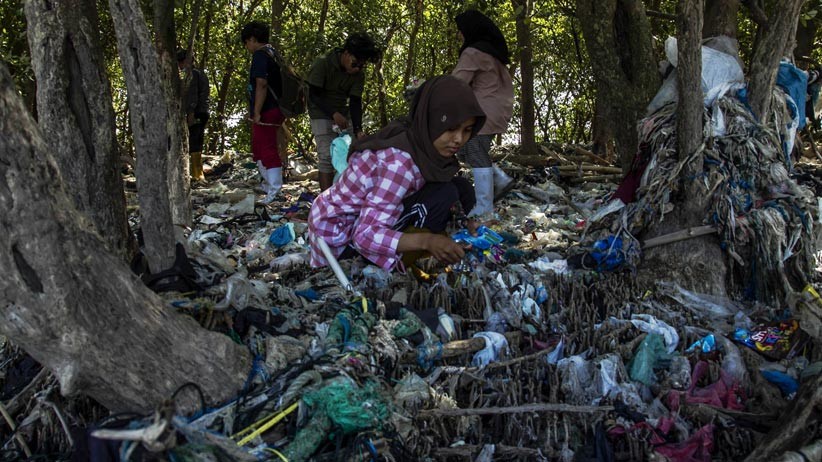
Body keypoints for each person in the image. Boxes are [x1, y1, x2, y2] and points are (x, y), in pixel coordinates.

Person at [308, 75, 486, 272]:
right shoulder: (398, 165)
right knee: (445, 195)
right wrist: (427, 241)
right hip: (340, 244)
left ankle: (444, 240)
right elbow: (364, 236)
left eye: (467, 130)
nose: (459, 139)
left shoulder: (418, 141)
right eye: (450, 128)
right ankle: (408, 263)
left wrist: (463, 224)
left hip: (359, 222)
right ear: (431, 120)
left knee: (460, 187)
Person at [452, 9, 515, 217]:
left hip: (485, 108)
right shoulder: (492, 52)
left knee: (474, 148)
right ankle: (499, 178)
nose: (458, 35)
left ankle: (484, 207)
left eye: (460, 31)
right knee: (465, 149)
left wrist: (428, 89)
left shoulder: (473, 52)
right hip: (499, 107)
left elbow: (457, 82)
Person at [307, 32, 381, 191]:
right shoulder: (323, 63)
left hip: (342, 112)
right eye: (355, 64)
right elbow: (313, 95)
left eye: (362, 66)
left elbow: (355, 101)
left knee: (353, 153)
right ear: (346, 53)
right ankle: (326, 202)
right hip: (320, 111)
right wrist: (333, 113)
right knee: (326, 157)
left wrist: (358, 129)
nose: (357, 69)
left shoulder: (358, 74)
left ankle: (346, 197)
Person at [241, 20, 285, 204]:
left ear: (252, 39)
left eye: (246, 42)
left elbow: (262, 84)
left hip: (267, 109)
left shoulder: (260, 55)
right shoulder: (273, 53)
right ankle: (268, 185)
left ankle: (275, 190)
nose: (247, 47)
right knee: (258, 147)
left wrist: (256, 111)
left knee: (266, 148)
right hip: (276, 108)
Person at [177, 49, 210, 183]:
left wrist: (190, 113)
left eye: (180, 62)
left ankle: (197, 175)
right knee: (197, 141)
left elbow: (192, 95)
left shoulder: (191, 75)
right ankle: (196, 173)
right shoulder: (201, 74)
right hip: (203, 112)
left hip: (196, 112)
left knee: (193, 143)